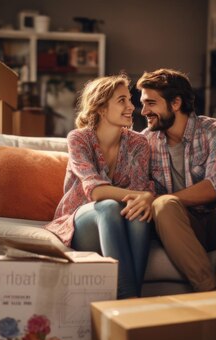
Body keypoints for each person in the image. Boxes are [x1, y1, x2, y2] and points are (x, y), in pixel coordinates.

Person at [133, 68, 216, 291]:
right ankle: (209, 292)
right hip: (182, 229)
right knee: (162, 204)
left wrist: (164, 198)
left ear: (176, 103)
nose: (143, 111)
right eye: (143, 103)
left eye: (151, 103)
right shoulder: (146, 141)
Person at [45, 74, 155, 299]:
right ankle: (130, 298)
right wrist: (143, 195)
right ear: (101, 108)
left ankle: (129, 301)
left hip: (121, 221)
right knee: (107, 206)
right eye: (121, 100)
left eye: (129, 100)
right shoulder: (78, 139)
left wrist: (144, 198)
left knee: (139, 213)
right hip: (81, 220)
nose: (131, 106)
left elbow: (138, 198)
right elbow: (95, 191)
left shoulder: (138, 144)